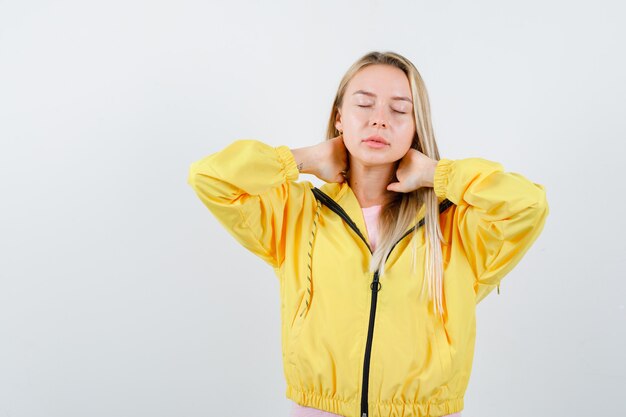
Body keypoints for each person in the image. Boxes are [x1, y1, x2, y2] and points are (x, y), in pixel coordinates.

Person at [187, 51, 549, 417]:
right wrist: (301, 159)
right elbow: (210, 178)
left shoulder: (453, 224)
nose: (379, 120)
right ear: (339, 117)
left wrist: (438, 176)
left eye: (399, 110)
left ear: (415, 128)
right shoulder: (297, 213)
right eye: (364, 105)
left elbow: (528, 205)